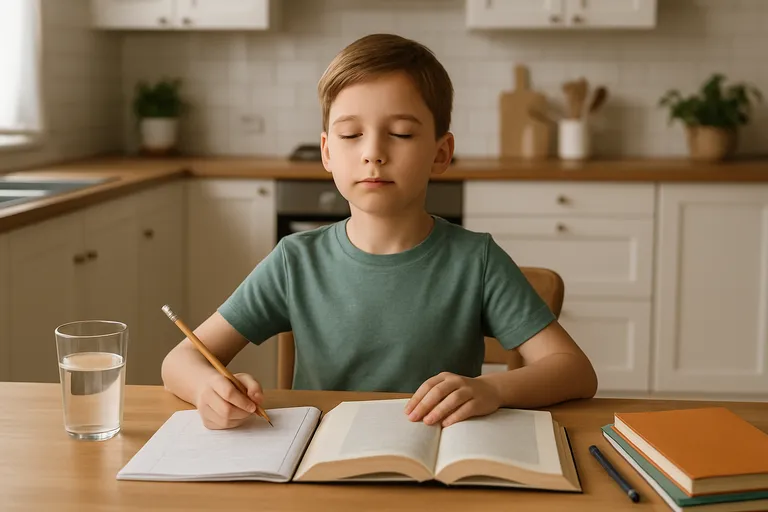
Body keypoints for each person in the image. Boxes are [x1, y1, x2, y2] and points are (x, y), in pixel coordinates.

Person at [161, 33, 597, 431]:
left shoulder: (476, 261)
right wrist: (207, 389)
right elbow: (179, 360)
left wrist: (494, 390)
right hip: (324, 468)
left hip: (438, 467)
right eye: (351, 134)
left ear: (440, 153)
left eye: (401, 133)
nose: (373, 153)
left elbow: (574, 369)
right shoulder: (295, 261)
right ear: (328, 152)